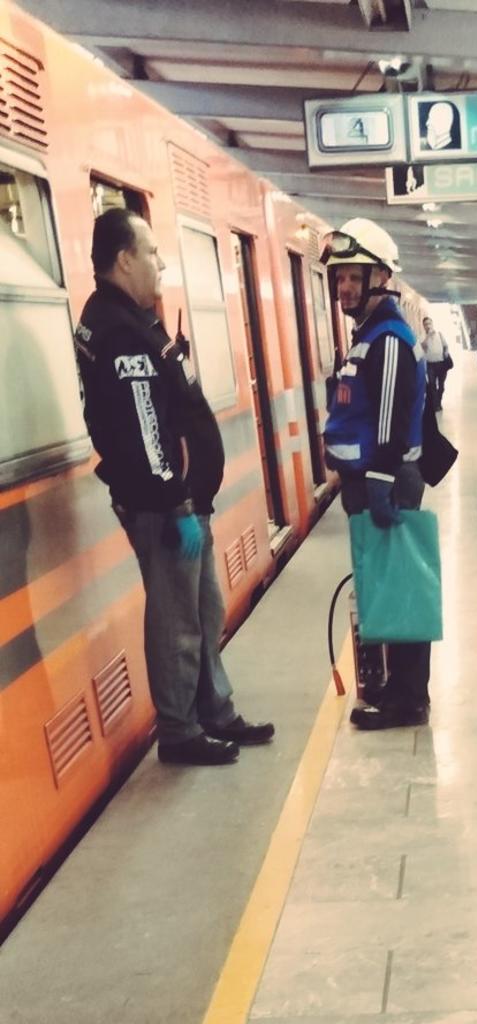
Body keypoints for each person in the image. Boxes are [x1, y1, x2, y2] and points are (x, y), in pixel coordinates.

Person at [74, 208, 274, 766]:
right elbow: (145, 430)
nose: (160, 263)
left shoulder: (128, 318)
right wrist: (176, 505)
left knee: (204, 609)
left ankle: (215, 710)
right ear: (124, 260)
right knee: (176, 620)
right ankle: (180, 732)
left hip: (181, 501)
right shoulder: (119, 331)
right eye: (151, 252)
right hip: (164, 506)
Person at [321, 217, 431, 731]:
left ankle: (407, 700)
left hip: (383, 481)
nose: (345, 286)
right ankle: (397, 689)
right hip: (369, 482)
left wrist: (381, 482)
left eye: (354, 276)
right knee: (386, 584)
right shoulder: (368, 334)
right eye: (340, 277)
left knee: (399, 586)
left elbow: (389, 416)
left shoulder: (386, 339)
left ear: (380, 278)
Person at [420, 315, 451, 412]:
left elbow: (445, 346)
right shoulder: (422, 336)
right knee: (432, 384)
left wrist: (445, 353)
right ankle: (435, 405)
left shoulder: (439, 334)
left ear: (432, 324)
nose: (428, 326)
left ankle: (438, 402)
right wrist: (427, 336)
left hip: (441, 364)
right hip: (430, 365)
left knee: (441, 386)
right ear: (423, 326)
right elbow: (422, 347)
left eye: (429, 323)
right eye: (425, 324)